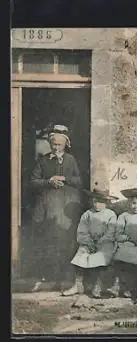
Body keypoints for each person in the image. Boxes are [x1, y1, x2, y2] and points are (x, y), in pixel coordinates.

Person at [28, 124, 84, 290]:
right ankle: (48, 276)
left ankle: (65, 277)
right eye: (53, 144)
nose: (56, 147)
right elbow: (32, 182)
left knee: (66, 241)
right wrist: (48, 181)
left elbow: (79, 181)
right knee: (49, 240)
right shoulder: (43, 160)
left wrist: (65, 178)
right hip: (48, 206)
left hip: (66, 206)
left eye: (59, 145)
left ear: (65, 145)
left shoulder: (71, 160)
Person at [62, 188, 118, 298]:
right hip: (90, 243)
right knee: (80, 255)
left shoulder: (111, 214)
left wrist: (101, 241)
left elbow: (111, 232)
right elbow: (82, 231)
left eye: (101, 202)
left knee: (102, 258)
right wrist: (88, 241)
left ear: (106, 202)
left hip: (105, 243)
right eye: (95, 201)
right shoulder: (87, 214)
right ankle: (78, 285)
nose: (97, 204)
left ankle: (98, 286)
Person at [105, 188, 137, 302]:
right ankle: (117, 285)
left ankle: (131, 289)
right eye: (133, 203)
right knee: (122, 255)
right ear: (128, 202)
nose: (135, 206)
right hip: (127, 243)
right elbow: (118, 234)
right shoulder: (124, 216)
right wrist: (127, 238)